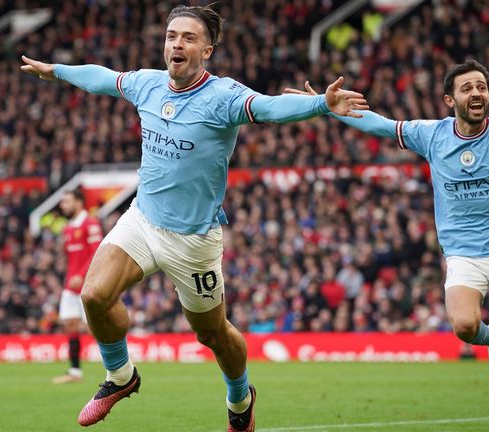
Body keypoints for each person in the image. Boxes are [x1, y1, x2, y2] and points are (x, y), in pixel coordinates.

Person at [20, 4, 367, 431]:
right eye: (171, 36)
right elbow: (102, 78)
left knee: (213, 334)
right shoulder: (148, 85)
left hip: (193, 240)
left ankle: (240, 397)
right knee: (93, 296)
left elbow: (271, 108)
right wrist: (56, 70)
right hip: (142, 220)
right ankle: (120, 377)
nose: (176, 44)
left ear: (207, 50)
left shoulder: (223, 97)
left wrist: (321, 105)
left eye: (187, 37)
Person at [287, 52, 489, 432]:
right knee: (463, 325)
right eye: (467, 88)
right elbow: (382, 125)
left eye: (481, 87)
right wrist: (328, 108)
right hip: (463, 254)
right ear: (450, 100)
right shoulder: (432, 135)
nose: (476, 93)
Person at [51, 189, 103, 384]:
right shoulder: (67, 228)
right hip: (70, 285)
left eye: (67, 201)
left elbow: (97, 251)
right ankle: (74, 371)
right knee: (69, 325)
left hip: (87, 282)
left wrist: (81, 275)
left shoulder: (90, 224)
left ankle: (120, 366)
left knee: (93, 328)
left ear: (79, 202)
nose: (63, 205)